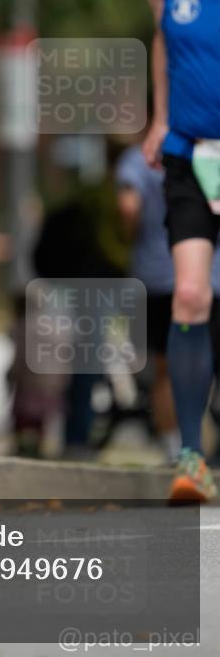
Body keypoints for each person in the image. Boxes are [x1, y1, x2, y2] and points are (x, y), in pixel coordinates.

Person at [142, 0, 220, 503]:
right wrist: (159, 118)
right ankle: (191, 456)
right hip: (187, 156)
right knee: (189, 298)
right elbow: (163, 44)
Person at [115, 139, 220, 465]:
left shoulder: (140, 157)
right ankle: (188, 448)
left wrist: (130, 239)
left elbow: (128, 207)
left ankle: (179, 447)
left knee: (166, 369)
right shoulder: (210, 150)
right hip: (209, 277)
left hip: (159, 276)